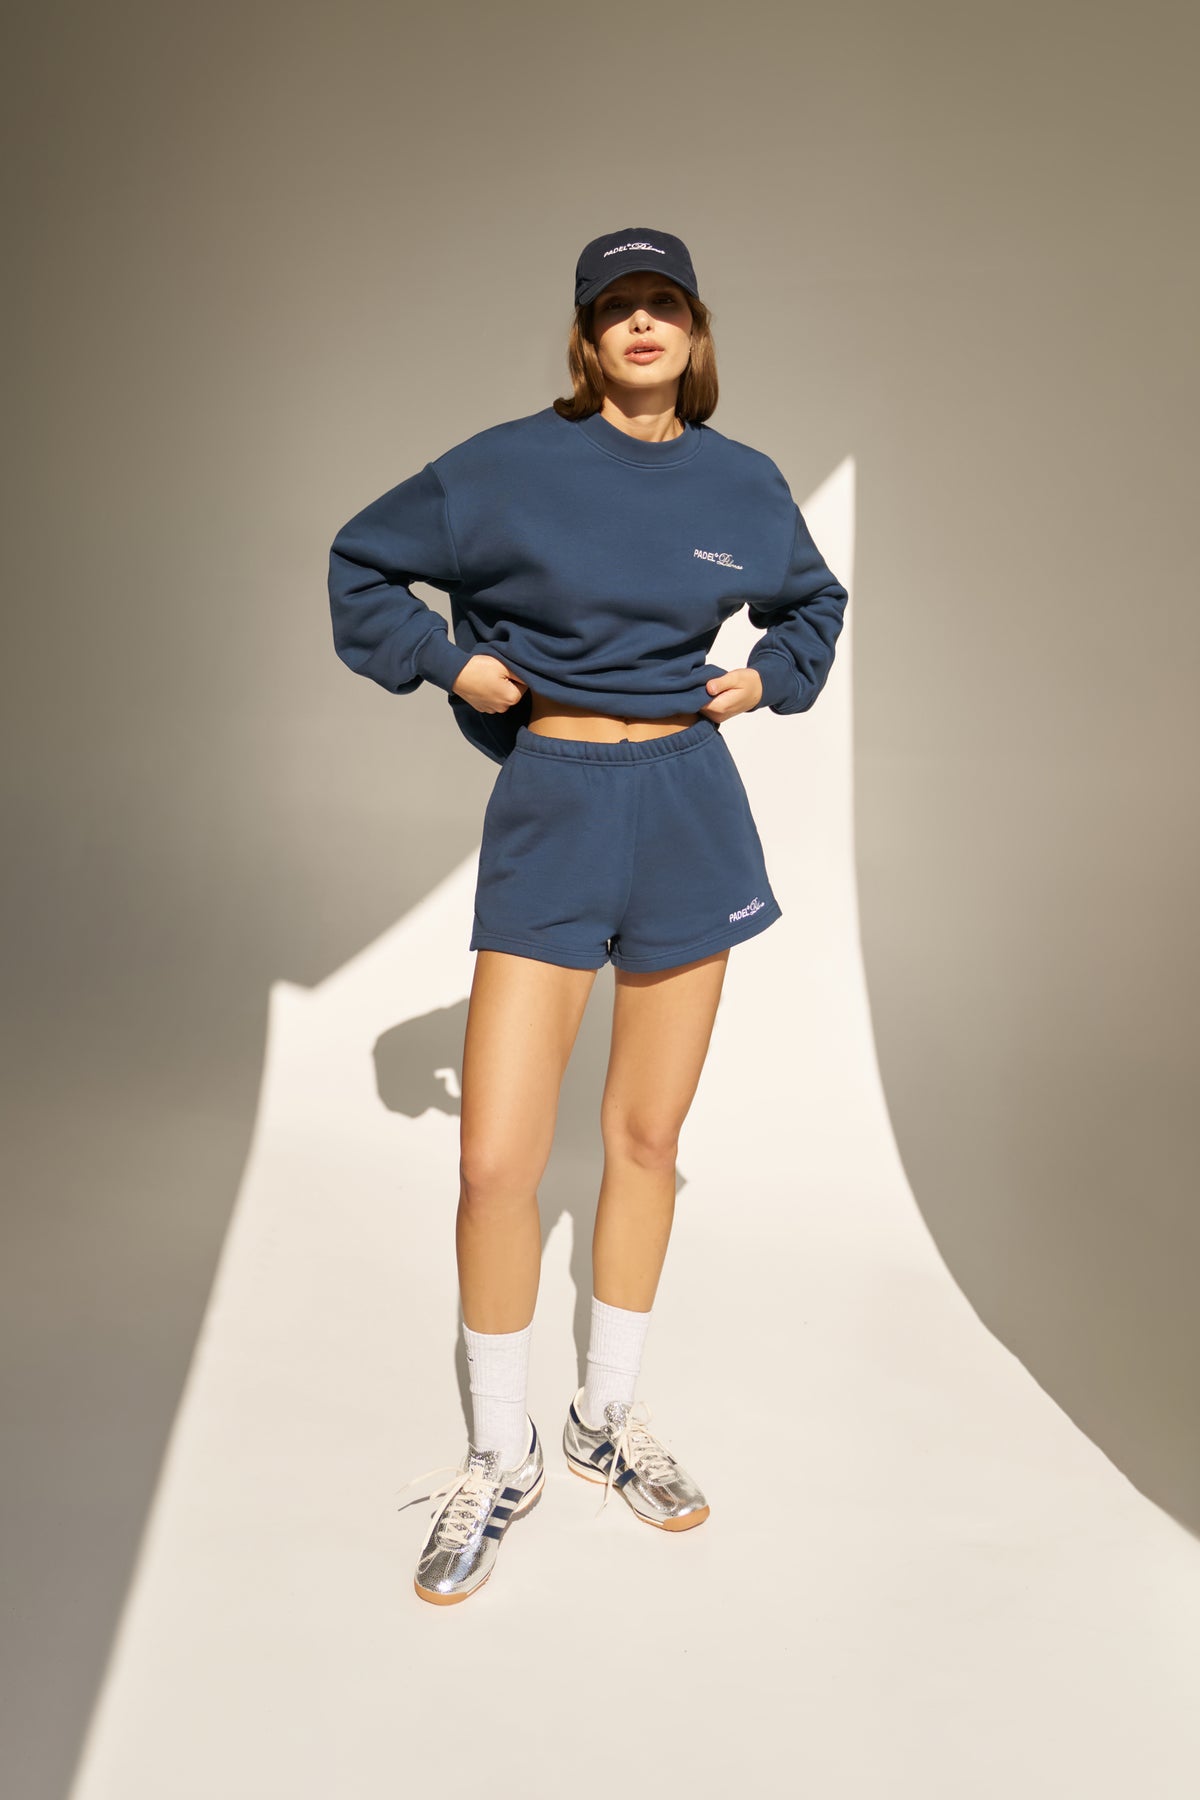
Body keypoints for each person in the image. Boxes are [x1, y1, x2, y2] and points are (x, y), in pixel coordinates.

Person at [327, 227, 849, 1605]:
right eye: (617, 305)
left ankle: (605, 1419)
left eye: (664, 301)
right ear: (585, 334)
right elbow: (361, 565)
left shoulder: (742, 481)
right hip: (554, 809)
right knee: (497, 1162)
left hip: (688, 811)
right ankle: (497, 1453)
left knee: (646, 1139)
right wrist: (448, 662)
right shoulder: (504, 466)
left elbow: (813, 602)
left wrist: (768, 678)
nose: (642, 322)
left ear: (696, 329)